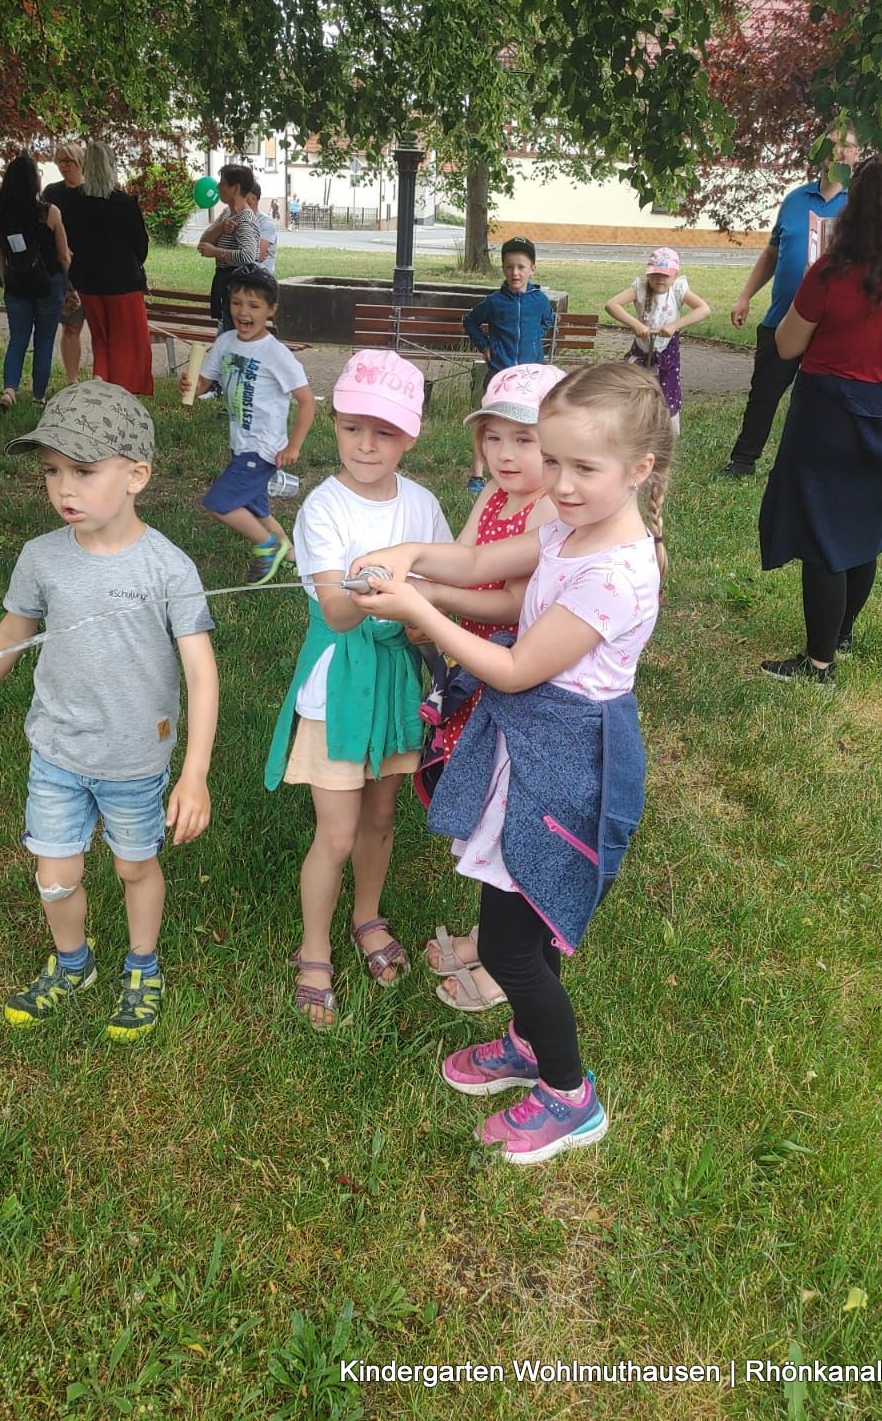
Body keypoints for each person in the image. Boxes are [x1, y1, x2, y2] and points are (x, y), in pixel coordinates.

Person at [350, 361, 671, 1164]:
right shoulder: (568, 529)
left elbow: (518, 666)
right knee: (507, 924)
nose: (558, 485)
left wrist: (420, 606)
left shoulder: (619, 573)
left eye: (582, 468)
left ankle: (569, 1094)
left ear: (641, 470)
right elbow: (488, 577)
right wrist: (412, 558)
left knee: (511, 949)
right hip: (526, 747)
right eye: (552, 461)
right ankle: (530, 1043)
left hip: (565, 763)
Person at [0, 382, 218, 1041]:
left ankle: (142, 966)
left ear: (135, 476)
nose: (64, 487)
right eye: (52, 472)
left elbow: (202, 675)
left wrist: (195, 773)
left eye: (84, 471)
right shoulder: (42, 557)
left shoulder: (168, 567)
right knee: (55, 874)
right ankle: (73, 965)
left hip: (133, 758)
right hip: (58, 751)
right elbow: (13, 632)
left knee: (132, 866)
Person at [263, 348, 452, 1027]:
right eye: (351, 428)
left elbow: (441, 597)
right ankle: (314, 946)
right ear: (333, 425)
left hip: (396, 683)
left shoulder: (424, 505)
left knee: (380, 818)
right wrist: (383, 585)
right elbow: (337, 614)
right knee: (336, 833)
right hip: (338, 688)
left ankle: (365, 916)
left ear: (413, 433)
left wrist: (424, 609)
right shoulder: (323, 507)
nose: (367, 445)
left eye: (386, 431)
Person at [758, 154, 882, 682]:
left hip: (832, 413)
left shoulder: (832, 271)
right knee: (868, 525)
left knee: (823, 532)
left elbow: (785, 345)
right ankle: (842, 635)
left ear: (856, 210)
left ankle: (818, 662)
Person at [419, 363, 564, 1012]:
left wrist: (426, 599)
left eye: (524, 441)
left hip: (518, 686)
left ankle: (515, 959)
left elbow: (511, 603)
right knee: (486, 817)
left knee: (512, 821)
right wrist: (418, 575)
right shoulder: (495, 496)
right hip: (478, 672)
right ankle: (491, 934)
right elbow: (464, 551)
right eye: (495, 438)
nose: (506, 454)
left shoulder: (551, 510)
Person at [721, 129, 860, 476]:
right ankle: (743, 460)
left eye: (847, 145)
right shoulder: (796, 200)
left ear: (857, 155)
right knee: (763, 394)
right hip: (782, 319)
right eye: (831, 145)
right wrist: (744, 296)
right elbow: (771, 252)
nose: (838, 152)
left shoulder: (861, 206)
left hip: (833, 327)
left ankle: (816, 466)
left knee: (825, 403)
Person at [180, 265, 316, 583]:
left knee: (219, 502)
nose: (244, 311)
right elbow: (203, 382)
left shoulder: (276, 354)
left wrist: (293, 445)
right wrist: (191, 386)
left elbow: (307, 401)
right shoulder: (226, 342)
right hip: (240, 443)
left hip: (264, 448)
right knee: (257, 510)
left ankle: (267, 546)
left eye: (254, 305)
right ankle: (292, 555)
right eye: (237, 302)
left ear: (271, 310)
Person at [461, 237, 555, 495]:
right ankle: (477, 475)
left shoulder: (540, 300)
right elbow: (470, 321)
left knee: (531, 426)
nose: (516, 272)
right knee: (490, 424)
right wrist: (485, 346)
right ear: (503, 269)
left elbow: (547, 320)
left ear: (532, 269)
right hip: (499, 374)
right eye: (510, 267)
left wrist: (534, 342)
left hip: (531, 376)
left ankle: (530, 470)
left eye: (521, 267)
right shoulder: (495, 302)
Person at [58, 141, 152, 396]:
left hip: (88, 282)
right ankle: (121, 393)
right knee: (127, 343)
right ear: (112, 167)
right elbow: (140, 246)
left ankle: (100, 383)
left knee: (101, 339)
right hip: (122, 284)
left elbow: (71, 242)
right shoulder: (124, 203)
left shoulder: (74, 202)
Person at [0, 153, 71, 409]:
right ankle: (38, 396)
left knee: (18, 339)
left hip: (17, 285)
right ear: (34, 181)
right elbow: (63, 255)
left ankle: (10, 389)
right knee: (44, 340)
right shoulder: (50, 212)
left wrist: (7, 283)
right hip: (49, 284)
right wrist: (70, 286)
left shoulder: (2, 214)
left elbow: (0, 256)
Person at [605, 247, 710, 433]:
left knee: (667, 387)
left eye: (666, 275)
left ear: (675, 275)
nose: (660, 279)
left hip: (666, 349)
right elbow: (612, 305)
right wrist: (635, 324)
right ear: (648, 274)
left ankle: (667, 429)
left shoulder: (678, 290)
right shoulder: (640, 288)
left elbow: (703, 309)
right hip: (642, 348)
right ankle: (634, 425)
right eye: (656, 275)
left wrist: (675, 325)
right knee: (636, 385)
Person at [195, 164, 260, 332]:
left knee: (230, 337)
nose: (218, 187)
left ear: (235, 188)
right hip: (226, 287)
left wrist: (216, 252)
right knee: (225, 336)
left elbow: (248, 256)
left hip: (237, 290)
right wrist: (221, 227)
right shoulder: (227, 213)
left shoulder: (244, 218)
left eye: (223, 183)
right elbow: (203, 243)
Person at [42, 141, 87, 383]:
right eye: (59, 161)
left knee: (101, 331)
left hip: (94, 270)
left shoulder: (93, 190)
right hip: (65, 270)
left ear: (80, 162)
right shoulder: (52, 193)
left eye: (68, 161)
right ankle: (72, 381)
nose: (63, 166)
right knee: (71, 326)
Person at [249, 180, 278, 275]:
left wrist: (217, 252)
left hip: (261, 280)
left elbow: (259, 255)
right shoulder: (234, 218)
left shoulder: (266, 223)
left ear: (253, 199)